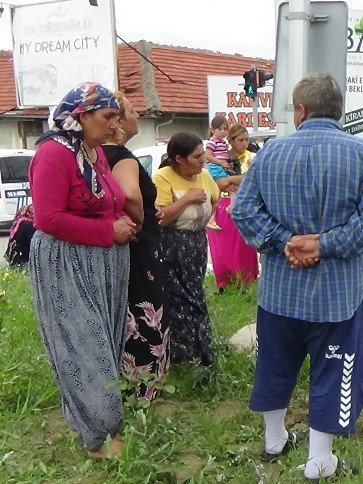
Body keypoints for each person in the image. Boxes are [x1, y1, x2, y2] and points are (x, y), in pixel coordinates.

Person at [230, 73, 363, 483]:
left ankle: (274, 440)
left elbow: (243, 211)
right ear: (338, 111)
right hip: (337, 295)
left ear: (300, 111)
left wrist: (284, 242)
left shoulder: (268, 154)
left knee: (274, 363)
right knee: (335, 369)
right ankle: (320, 462)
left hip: (279, 293)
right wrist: (324, 245)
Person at [28, 82, 137, 460]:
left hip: (100, 264)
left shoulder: (90, 153)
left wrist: (119, 220)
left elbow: (108, 199)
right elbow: (48, 218)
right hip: (67, 264)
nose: (113, 125)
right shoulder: (54, 155)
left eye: (115, 117)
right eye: (107, 117)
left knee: (103, 346)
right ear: (81, 115)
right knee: (84, 347)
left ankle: (101, 424)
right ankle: (99, 438)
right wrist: (108, 230)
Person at [103, 92, 170, 380]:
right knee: (144, 316)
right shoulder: (121, 157)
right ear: (117, 120)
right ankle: (144, 387)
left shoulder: (92, 156)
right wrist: (142, 220)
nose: (137, 115)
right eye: (132, 110)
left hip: (112, 249)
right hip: (138, 249)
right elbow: (130, 194)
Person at [152, 131, 220, 367]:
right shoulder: (163, 177)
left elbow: (215, 197)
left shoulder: (204, 175)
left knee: (196, 295)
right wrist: (187, 199)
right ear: (179, 159)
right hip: (172, 245)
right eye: (197, 156)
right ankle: (182, 355)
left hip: (196, 243)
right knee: (180, 299)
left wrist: (206, 218)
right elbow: (161, 217)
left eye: (203, 155)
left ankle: (202, 350)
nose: (203, 160)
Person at [206, 124, 259, 290]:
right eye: (240, 140)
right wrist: (237, 179)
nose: (244, 143)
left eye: (246, 139)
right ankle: (224, 283)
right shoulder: (222, 158)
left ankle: (246, 282)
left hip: (245, 204)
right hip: (222, 205)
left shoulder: (254, 157)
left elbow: (252, 179)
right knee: (222, 248)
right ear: (231, 140)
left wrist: (231, 180)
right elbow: (217, 182)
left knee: (244, 246)